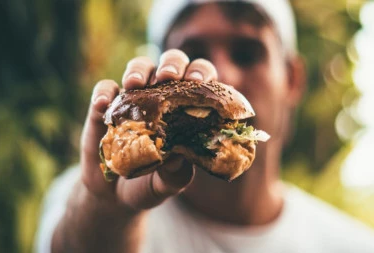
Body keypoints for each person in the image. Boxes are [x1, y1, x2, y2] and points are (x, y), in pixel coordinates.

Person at [35, 0, 374, 252]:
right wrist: (105, 211)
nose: (221, 74)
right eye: (193, 50)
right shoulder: (84, 201)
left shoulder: (352, 245)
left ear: (292, 79)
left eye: (246, 53)